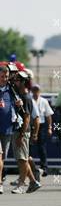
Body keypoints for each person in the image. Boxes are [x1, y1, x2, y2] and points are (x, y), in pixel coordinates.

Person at [11, 71, 41, 194]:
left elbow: (27, 118)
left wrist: (22, 135)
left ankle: (21, 185)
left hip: (22, 132)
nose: (15, 82)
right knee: (22, 158)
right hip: (18, 131)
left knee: (22, 160)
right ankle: (33, 182)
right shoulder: (18, 94)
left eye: (18, 80)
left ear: (23, 82)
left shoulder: (26, 97)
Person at [0, 66, 22, 194]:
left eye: (6, 76)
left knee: (2, 158)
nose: (4, 79)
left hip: (7, 129)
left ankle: (1, 180)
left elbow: (17, 108)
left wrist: (19, 105)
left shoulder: (12, 90)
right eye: (2, 76)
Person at [31, 84, 54, 177]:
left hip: (41, 126)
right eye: (34, 90)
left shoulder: (44, 101)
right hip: (31, 125)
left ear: (39, 91)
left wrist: (49, 127)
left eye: (37, 90)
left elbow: (48, 115)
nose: (35, 92)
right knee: (28, 148)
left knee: (42, 147)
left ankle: (44, 167)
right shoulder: (29, 99)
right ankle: (30, 168)